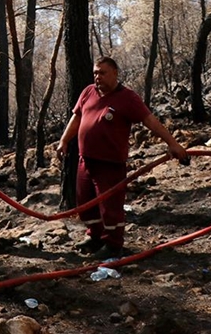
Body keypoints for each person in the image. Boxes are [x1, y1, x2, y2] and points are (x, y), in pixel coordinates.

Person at [57, 56, 189, 259]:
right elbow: (77, 116)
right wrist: (64, 140)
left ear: (115, 73)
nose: (97, 77)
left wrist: (173, 144)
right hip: (85, 161)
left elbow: (150, 121)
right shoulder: (88, 92)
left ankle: (113, 244)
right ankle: (94, 237)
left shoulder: (127, 98)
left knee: (111, 208)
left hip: (110, 164)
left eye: (102, 72)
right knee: (86, 203)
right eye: (95, 72)